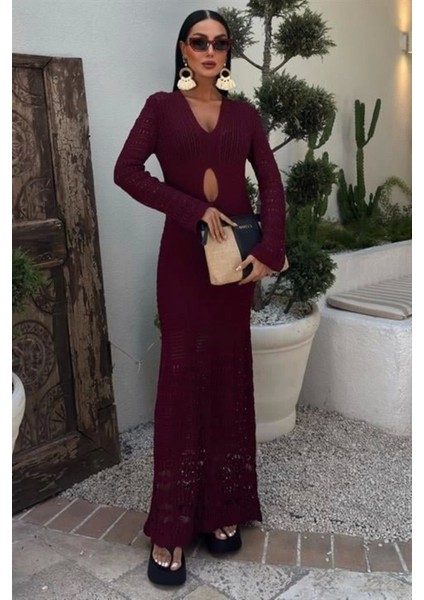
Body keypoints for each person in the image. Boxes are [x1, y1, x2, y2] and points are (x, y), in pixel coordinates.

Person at [114, 8, 286, 586]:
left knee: (228, 376)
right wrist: (191, 210)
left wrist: (270, 250)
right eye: (199, 42)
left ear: (227, 51)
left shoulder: (244, 115)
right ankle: (170, 524)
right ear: (183, 50)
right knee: (183, 382)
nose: (210, 51)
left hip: (235, 267)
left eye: (219, 43)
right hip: (184, 266)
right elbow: (126, 170)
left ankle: (223, 508)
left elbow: (271, 183)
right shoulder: (160, 108)